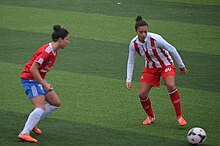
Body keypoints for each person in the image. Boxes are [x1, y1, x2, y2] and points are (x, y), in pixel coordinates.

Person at [125, 16, 188, 127]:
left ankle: (179, 116)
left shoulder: (156, 39)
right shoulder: (133, 44)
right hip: (150, 68)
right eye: (141, 32)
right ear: (136, 32)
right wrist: (128, 79)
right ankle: (151, 117)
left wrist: (181, 65)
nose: (144, 34)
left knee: (170, 85)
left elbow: (171, 48)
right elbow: (131, 61)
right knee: (142, 94)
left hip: (165, 65)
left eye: (145, 31)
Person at [18, 25, 70, 142]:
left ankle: (33, 122)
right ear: (60, 39)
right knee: (40, 107)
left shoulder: (54, 51)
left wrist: (43, 83)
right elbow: (33, 69)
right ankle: (25, 133)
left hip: (38, 79)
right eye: (67, 39)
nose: (68, 42)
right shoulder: (46, 52)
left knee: (55, 103)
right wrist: (44, 84)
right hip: (30, 79)